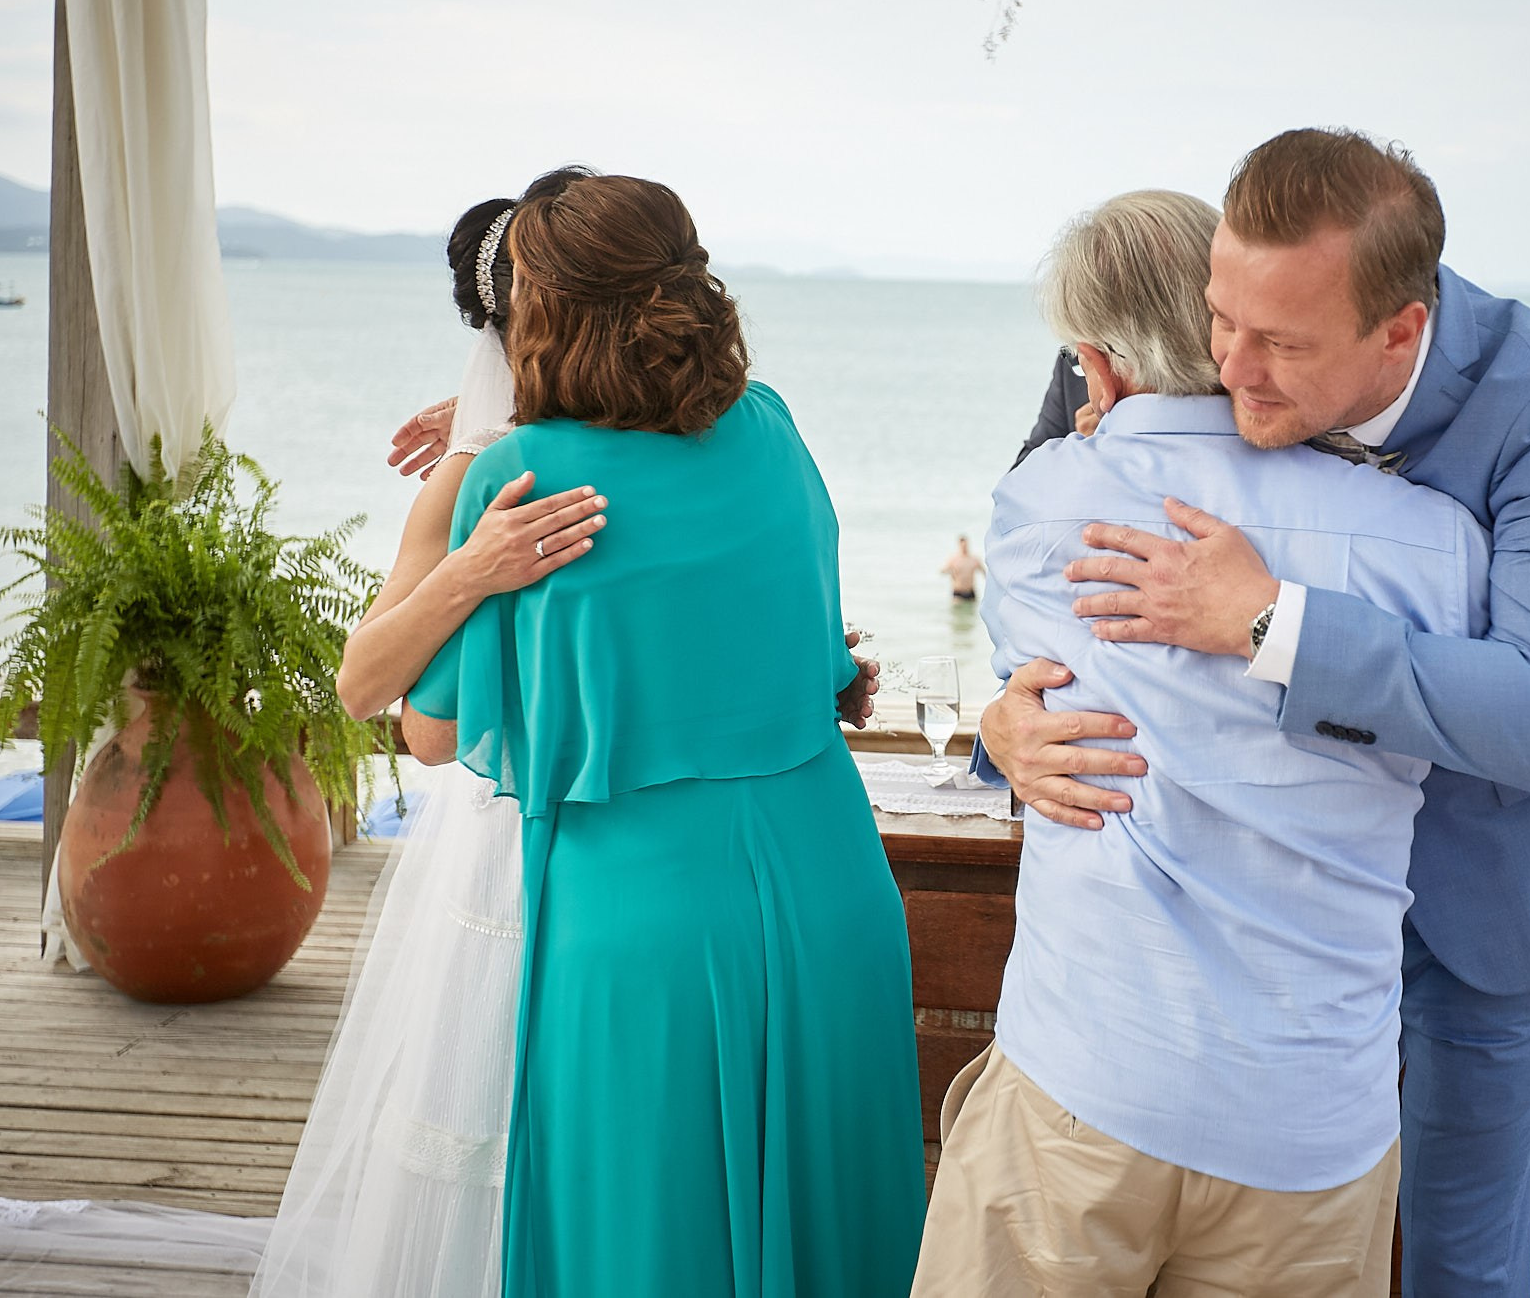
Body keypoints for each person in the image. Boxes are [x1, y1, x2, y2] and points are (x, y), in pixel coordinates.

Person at [981, 130, 1530, 1296]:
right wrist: (999, 731)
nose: (1225, 367)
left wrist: (1269, 620)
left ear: (1398, 333)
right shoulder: (1205, 324)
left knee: (1458, 1256)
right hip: (1250, 943)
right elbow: (1048, 605)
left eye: (1276, 345)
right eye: (1217, 319)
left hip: (1487, 905)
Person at [916, 190, 1494, 1296]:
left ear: (1092, 367)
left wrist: (1004, 720)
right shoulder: (1434, 544)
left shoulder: (1042, 510)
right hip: (1310, 1117)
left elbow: (1022, 670)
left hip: (1091, 1077)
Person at [400, 171, 926, 1296]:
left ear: (541, 312)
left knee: (642, 1249)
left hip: (640, 929)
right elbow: (825, 658)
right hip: (831, 894)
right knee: (838, 1239)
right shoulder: (771, 428)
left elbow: (432, 733)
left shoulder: (515, 477)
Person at [251, 172, 609, 1298]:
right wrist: (472, 563)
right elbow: (374, 691)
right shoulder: (467, 476)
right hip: (505, 839)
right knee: (490, 1112)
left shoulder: (641, 437)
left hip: (614, 840)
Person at [939, 534, 984, 600]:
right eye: (962, 545)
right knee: (957, 609)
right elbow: (942, 571)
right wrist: (950, 571)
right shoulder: (954, 559)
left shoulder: (974, 559)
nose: (964, 547)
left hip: (971, 592)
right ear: (959, 545)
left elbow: (984, 572)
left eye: (966, 545)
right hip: (958, 592)